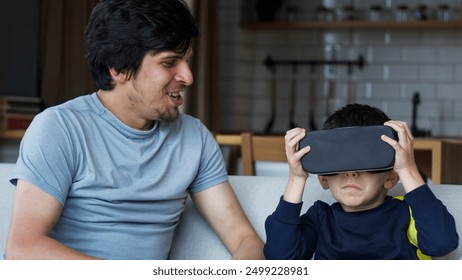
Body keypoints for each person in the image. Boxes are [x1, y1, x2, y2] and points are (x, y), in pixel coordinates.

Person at [4, 0, 264, 260]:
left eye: (186, 60)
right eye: (169, 62)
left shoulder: (194, 138)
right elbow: (23, 248)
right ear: (118, 68)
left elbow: (243, 238)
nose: (188, 76)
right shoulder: (60, 128)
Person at [264, 103, 459, 260]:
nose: (351, 172)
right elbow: (280, 257)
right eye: (340, 162)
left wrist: (408, 169)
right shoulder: (320, 218)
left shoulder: (408, 213)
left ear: (390, 178)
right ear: (324, 178)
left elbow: (442, 242)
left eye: (365, 160)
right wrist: (297, 178)